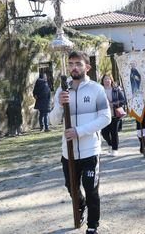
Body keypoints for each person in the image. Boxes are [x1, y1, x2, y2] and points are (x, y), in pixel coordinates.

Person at [49, 51, 111, 234]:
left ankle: (92, 226)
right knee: (71, 188)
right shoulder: (62, 89)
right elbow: (53, 121)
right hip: (68, 152)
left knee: (91, 190)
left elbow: (106, 117)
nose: (73, 67)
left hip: (90, 150)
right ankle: (80, 204)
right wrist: (60, 105)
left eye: (78, 63)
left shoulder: (96, 89)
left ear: (87, 67)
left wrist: (79, 131)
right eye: (71, 64)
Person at [100, 74, 126, 157]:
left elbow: (123, 100)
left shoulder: (116, 90)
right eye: (105, 79)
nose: (107, 81)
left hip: (115, 115)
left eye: (108, 79)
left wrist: (113, 104)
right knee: (104, 132)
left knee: (114, 132)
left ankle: (115, 149)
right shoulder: (100, 90)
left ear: (111, 80)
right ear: (102, 81)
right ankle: (110, 144)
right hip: (103, 115)